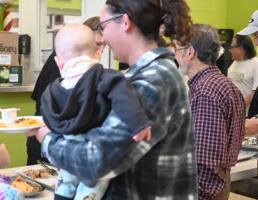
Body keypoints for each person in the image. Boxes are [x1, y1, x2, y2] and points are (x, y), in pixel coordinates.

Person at [27, 0, 197, 199]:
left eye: (103, 26)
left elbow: (95, 162)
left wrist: (46, 138)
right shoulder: (139, 77)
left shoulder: (152, 80)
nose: (103, 37)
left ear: (124, 22)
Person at [41, 23, 152, 200]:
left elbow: (48, 113)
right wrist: (139, 123)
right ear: (98, 54)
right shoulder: (108, 78)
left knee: (66, 179)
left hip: (67, 143)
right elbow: (125, 99)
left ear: (58, 62)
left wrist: (53, 132)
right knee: (94, 184)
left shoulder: (53, 89)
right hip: (92, 144)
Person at [175, 24, 246, 200]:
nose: (174, 57)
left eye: (176, 50)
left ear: (190, 52)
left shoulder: (204, 92)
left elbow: (206, 166)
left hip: (204, 191)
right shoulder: (225, 84)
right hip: (220, 182)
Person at [28, 16, 106, 166]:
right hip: (47, 143)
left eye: (104, 45)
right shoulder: (65, 63)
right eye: (97, 44)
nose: (100, 51)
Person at [226, 35, 258, 108]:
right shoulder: (232, 65)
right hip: (235, 113)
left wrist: (240, 107)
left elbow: (255, 92)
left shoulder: (256, 64)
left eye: (232, 47)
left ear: (241, 48)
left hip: (249, 115)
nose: (229, 50)